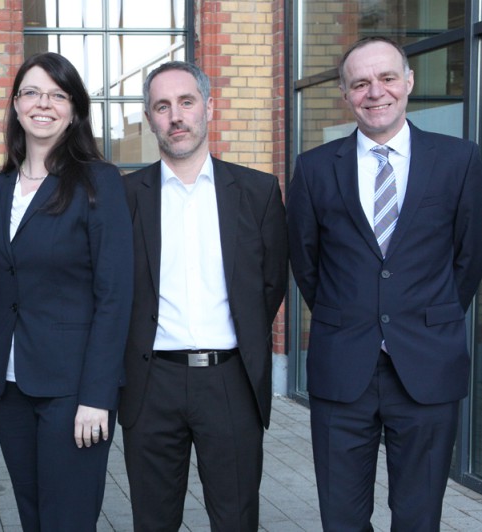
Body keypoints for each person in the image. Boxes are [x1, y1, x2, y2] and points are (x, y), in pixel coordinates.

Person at [287, 36, 482, 531]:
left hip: (427, 363)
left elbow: (470, 258)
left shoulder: (460, 160)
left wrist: (429, 315)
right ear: (345, 93)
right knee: (342, 518)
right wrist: (350, 313)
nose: (375, 92)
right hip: (342, 365)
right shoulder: (314, 168)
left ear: (409, 82)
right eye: (360, 83)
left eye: (387, 78)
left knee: (418, 517)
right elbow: (306, 262)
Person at [0, 51, 133, 531]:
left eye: (58, 95)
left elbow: (115, 296)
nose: (43, 104)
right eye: (32, 92)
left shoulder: (99, 182)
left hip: (73, 388)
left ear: (74, 110)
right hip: (10, 386)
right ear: (16, 105)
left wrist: (97, 395)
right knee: (32, 515)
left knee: (68, 519)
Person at [119, 61, 288, 531]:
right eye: (162, 106)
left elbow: (270, 283)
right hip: (151, 382)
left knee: (236, 519)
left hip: (230, 380)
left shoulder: (257, 192)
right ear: (150, 118)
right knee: (153, 521)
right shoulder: (124, 196)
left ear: (209, 107)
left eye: (186, 102)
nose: (176, 116)